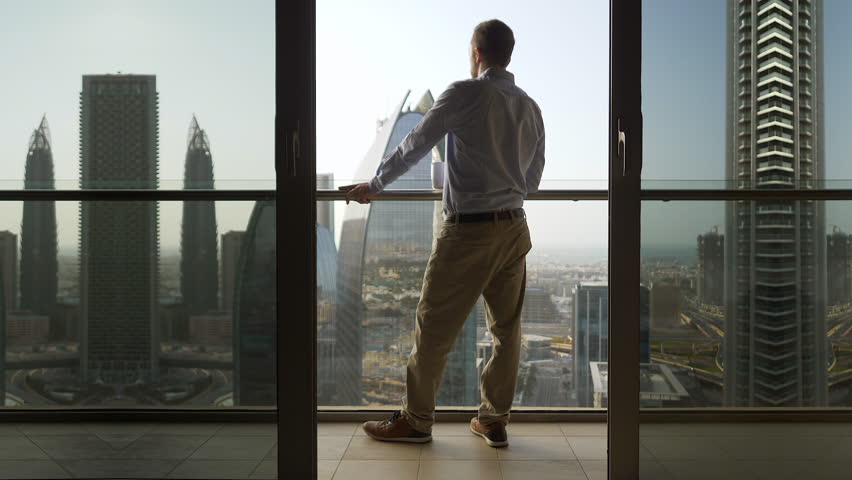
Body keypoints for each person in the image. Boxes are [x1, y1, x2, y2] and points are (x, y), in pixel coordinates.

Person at [340, 18, 545, 448]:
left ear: (476, 53)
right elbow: (532, 180)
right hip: (514, 228)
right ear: (509, 54)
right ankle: (493, 419)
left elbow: (414, 143)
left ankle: (416, 421)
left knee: (432, 328)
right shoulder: (529, 107)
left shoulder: (465, 93)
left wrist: (374, 186)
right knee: (506, 332)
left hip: (469, 233)